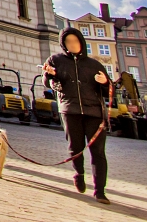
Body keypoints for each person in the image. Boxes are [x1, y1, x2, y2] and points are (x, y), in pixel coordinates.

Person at [43, 27, 111, 204]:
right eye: (68, 42)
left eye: (75, 41)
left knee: (98, 152)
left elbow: (109, 90)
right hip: (70, 110)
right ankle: (79, 174)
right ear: (63, 44)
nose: (72, 44)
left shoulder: (94, 64)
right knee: (76, 148)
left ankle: (100, 191)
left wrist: (105, 83)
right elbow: (50, 83)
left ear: (82, 42)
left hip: (94, 112)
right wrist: (51, 76)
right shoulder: (56, 60)